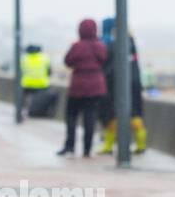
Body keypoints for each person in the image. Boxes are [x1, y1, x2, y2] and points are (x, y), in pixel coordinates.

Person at [97, 18, 147, 154]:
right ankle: (141, 145)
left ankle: (108, 146)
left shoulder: (113, 44)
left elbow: (107, 66)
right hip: (134, 84)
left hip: (116, 85)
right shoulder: (132, 44)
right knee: (135, 114)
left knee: (112, 116)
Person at [59, 18, 107, 158]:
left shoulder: (77, 46)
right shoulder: (100, 46)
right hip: (96, 86)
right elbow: (104, 60)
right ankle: (87, 148)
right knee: (90, 117)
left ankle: (70, 146)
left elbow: (68, 61)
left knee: (71, 116)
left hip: (78, 85)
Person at [20, 42, 55, 117]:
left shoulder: (24, 58)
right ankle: (47, 113)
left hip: (27, 84)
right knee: (51, 94)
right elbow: (49, 72)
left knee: (23, 98)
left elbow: (20, 71)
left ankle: (22, 112)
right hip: (42, 84)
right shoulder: (44, 58)